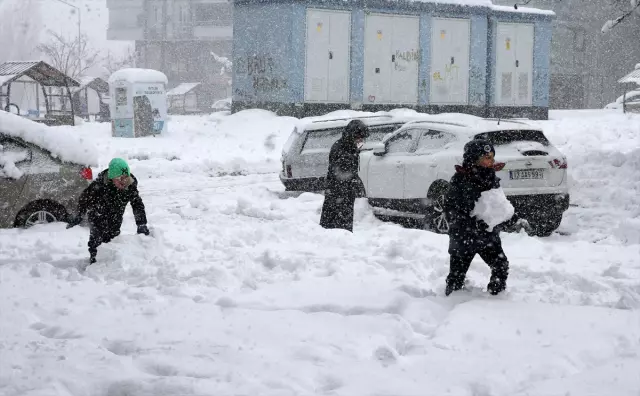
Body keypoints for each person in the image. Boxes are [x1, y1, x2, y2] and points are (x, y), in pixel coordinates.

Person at [443, 139, 530, 296]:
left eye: (492, 157)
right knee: (456, 276)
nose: (492, 161)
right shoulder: (460, 181)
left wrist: (513, 218)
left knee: (501, 266)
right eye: (487, 158)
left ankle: (495, 297)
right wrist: (470, 226)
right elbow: (451, 212)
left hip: (487, 237)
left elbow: (499, 204)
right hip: (463, 239)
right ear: (474, 159)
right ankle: (452, 300)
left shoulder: (491, 178)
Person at [67, 157, 150, 264]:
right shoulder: (99, 186)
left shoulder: (130, 185)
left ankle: (110, 266)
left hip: (116, 218)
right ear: (112, 178)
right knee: (96, 242)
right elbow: (84, 199)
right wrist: (79, 215)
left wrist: (141, 223)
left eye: (126, 177)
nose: (123, 181)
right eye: (120, 178)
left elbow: (137, 204)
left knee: (113, 242)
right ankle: (94, 264)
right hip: (97, 216)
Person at [319, 119, 370, 232]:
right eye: (359, 138)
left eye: (362, 138)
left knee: (344, 226)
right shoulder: (340, 148)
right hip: (337, 194)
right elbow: (339, 173)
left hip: (345, 194)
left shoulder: (351, 147)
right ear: (352, 135)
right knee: (333, 226)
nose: (361, 141)